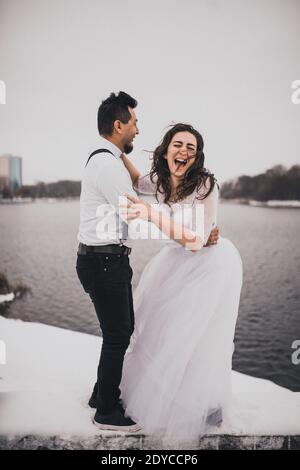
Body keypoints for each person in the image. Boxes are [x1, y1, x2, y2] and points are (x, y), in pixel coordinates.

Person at [76, 93, 219, 432]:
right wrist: (181, 230)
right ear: (118, 125)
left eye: (191, 148)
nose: (138, 129)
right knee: (118, 335)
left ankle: (102, 395)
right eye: (135, 123)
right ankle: (106, 411)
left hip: (112, 260)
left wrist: (200, 232)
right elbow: (134, 208)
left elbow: (140, 186)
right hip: (104, 261)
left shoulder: (112, 161)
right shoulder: (106, 164)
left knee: (124, 332)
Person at [119, 123, 243, 443]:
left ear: (197, 156)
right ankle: (163, 396)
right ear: (166, 150)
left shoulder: (204, 185)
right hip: (174, 261)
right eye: (178, 144)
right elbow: (136, 180)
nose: (184, 151)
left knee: (197, 337)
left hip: (208, 265)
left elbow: (196, 241)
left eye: (191, 147)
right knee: (159, 328)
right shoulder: (160, 180)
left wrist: (150, 214)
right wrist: (116, 150)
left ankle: (204, 406)